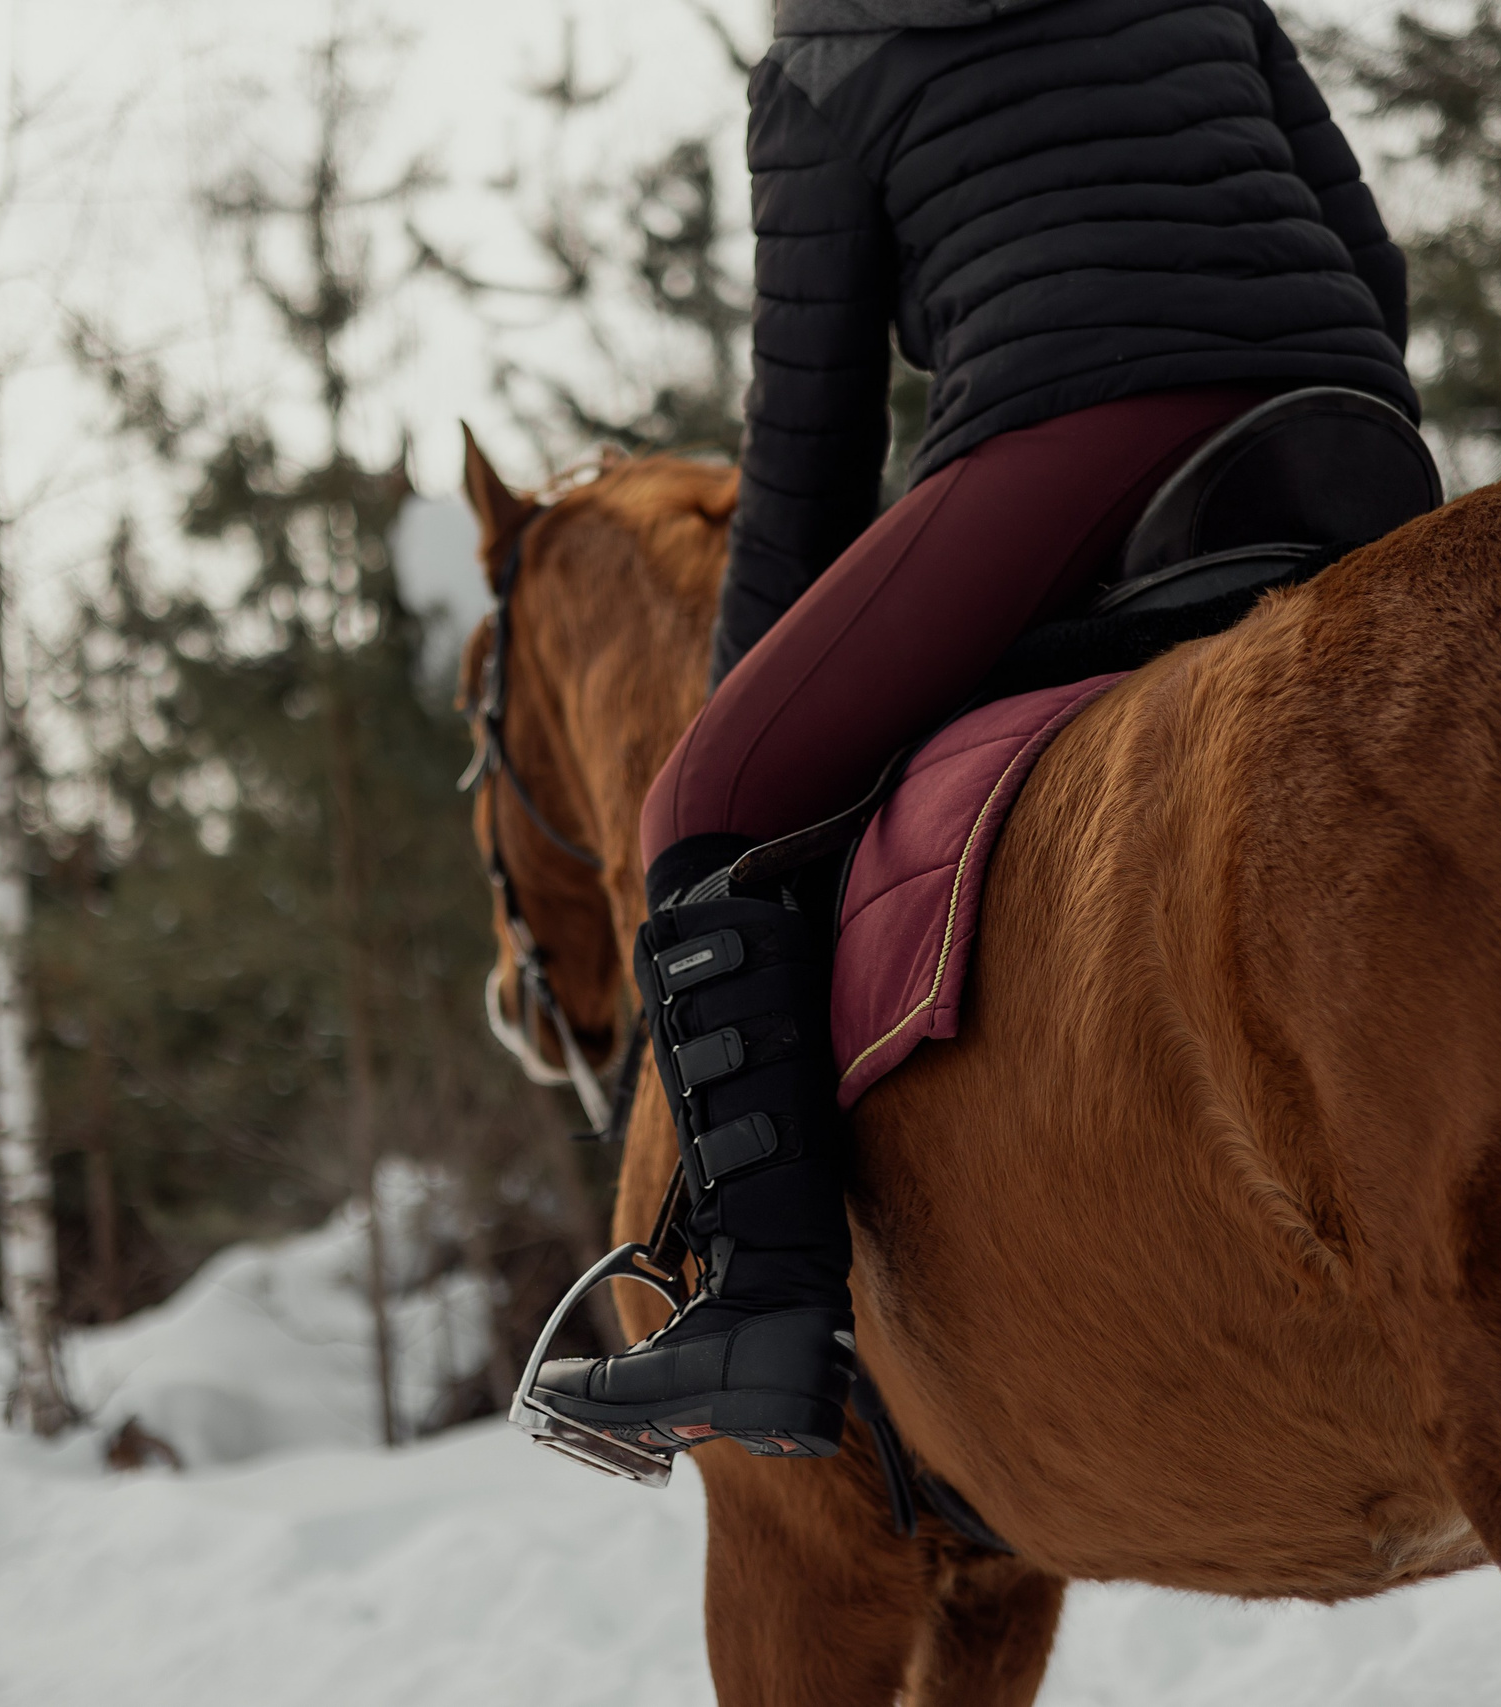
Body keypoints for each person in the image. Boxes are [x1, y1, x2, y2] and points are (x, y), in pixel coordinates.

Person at [525, 0, 1415, 1461]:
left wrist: (751, 703)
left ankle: (765, 1313)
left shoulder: (826, 58)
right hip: (1347, 426)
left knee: (705, 794)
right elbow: (1366, 262)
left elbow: (809, 456)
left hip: (1082, 448)